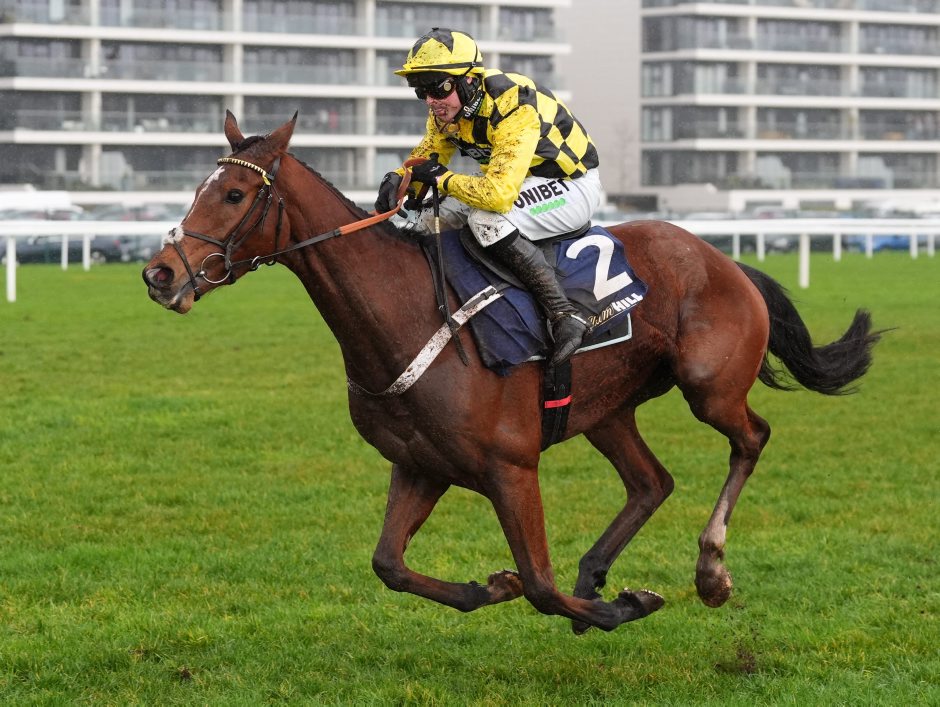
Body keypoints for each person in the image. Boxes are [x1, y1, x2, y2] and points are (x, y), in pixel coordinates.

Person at [375, 27, 602, 366]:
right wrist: (401, 179)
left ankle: (563, 314)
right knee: (424, 223)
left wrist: (442, 179)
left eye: (438, 88)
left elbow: (497, 196)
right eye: (421, 90)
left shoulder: (513, 104)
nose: (431, 100)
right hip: (520, 182)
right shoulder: (447, 110)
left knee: (486, 220)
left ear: (469, 80)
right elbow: (429, 156)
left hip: (570, 186)